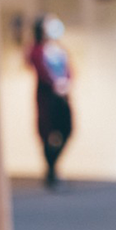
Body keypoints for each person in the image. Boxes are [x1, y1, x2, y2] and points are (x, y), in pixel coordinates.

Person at [28, 14, 74, 189]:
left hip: (62, 96)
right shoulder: (37, 50)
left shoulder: (59, 49)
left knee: (67, 129)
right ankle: (51, 171)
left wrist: (66, 83)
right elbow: (39, 69)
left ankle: (52, 167)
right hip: (47, 97)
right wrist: (54, 84)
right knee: (47, 132)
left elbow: (69, 70)